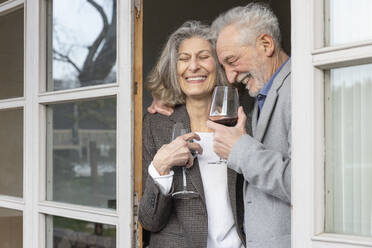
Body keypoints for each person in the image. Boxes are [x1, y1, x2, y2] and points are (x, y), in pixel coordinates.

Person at [139, 21, 245, 248]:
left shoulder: (244, 125)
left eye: (203, 56)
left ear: (218, 65)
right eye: (184, 58)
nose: (193, 66)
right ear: (173, 68)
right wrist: (162, 165)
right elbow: (149, 221)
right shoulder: (156, 126)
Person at [206, 3, 291, 248]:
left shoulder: (301, 86)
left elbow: (307, 183)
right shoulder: (261, 97)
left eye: (232, 61)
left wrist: (239, 150)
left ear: (266, 44)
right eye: (224, 67)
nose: (231, 77)